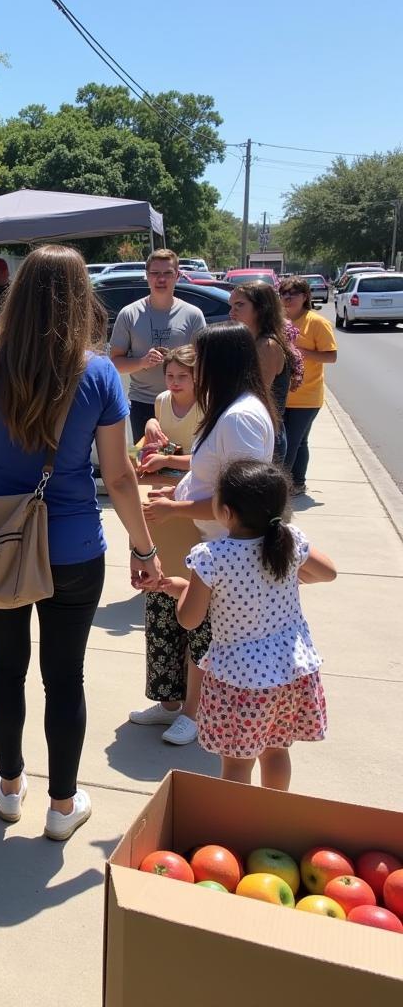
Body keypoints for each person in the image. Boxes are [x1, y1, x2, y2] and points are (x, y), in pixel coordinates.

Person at [0, 245, 161, 841]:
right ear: (80, 297)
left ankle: (10, 787)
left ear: (16, 293)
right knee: (65, 676)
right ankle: (62, 806)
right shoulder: (97, 373)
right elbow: (118, 476)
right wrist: (144, 550)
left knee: (4, 666)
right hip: (73, 545)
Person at [159, 459, 336, 789]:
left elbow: (189, 618)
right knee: (276, 752)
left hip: (241, 679)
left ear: (226, 512)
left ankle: (236, 831)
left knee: (238, 763)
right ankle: (273, 818)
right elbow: (329, 572)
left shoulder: (212, 556)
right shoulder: (289, 540)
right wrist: (292, 574)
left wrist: (181, 592)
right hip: (289, 671)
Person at [143, 322, 276, 746]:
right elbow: (212, 473)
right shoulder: (229, 409)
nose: (190, 374)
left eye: (198, 364)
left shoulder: (239, 418)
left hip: (228, 549)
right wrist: (179, 490)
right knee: (177, 617)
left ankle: (195, 713)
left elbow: (240, 500)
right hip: (209, 540)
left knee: (202, 630)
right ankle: (173, 702)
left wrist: (175, 507)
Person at [128, 346, 211, 734]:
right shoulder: (161, 402)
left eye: (183, 377)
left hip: (194, 516)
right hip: (160, 512)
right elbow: (153, 445)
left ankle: (194, 712)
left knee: (195, 614)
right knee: (160, 605)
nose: (175, 384)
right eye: (170, 376)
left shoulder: (211, 405)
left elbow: (208, 460)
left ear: (198, 378)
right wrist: (148, 433)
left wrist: (168, 461)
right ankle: (168, 701)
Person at [109, 248, 207, 443]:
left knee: (184, 462)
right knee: (146, 463)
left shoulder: (193, 315)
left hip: (184, 403)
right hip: (144, 402)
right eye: (155, 273)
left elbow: (204, 362)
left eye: (167, 273)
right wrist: (142, 362)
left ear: (177, 276)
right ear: (147, 276)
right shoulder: (129, 314)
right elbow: (115, 363)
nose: (161, 279)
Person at [228, 282, 301, 464]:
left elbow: (255, 396)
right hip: (254, 429)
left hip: (264, 434)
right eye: (231, 306)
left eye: (240, 305)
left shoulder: (267, 346)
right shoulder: (250, 341)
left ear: (261, 308)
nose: (232, 312)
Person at [280, 276, 338, 496]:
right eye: (283, 293)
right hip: (281, 395)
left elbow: (331, 356)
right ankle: (298, 483)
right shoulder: (278, 321)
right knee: (300, 442)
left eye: (293, 294)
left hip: (306, 397)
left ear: (305, 297)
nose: (287, 298)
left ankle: (282, 489)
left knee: (290, 443)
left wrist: (300, 353)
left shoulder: (316, 322)